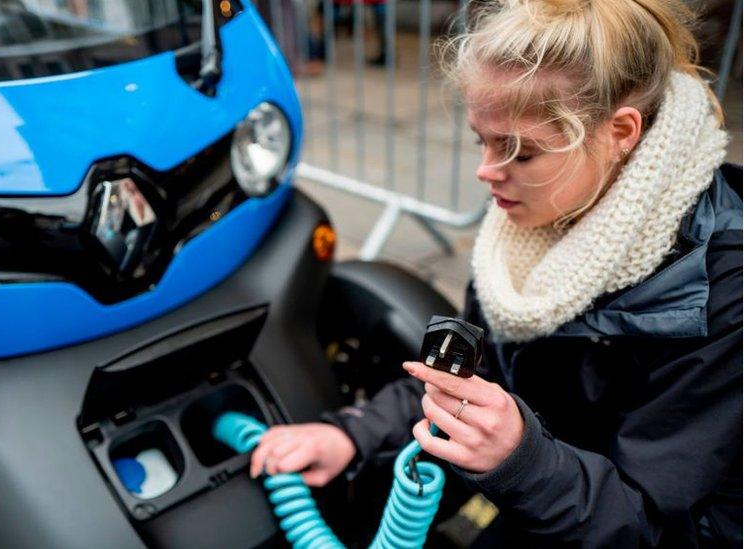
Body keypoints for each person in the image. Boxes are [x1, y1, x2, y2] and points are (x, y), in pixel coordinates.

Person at [249, 0, 743, 546]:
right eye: (481, 139)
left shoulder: (723, 292)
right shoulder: (539, 209)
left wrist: (521, 460)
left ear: (620, 132)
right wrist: (353, 435)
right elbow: (473, 376)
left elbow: (658, 520)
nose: (487, 172)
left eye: (520, 152)